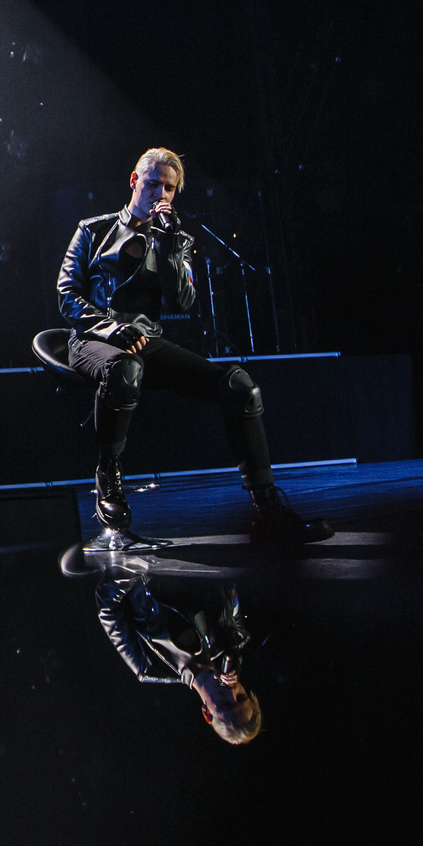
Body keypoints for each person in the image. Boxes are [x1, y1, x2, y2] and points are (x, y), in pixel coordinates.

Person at [56, 148, 328, 543]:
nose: (160, 194)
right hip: (93, 339)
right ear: (135, 182)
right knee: (124, 369)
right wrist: (110, 329)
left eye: (168, 188)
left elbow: (181, 301)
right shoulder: (92, 229)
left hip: (145, 339)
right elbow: (67, 295)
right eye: (153, 184)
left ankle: (267, 507)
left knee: (239, 387)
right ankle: (107, 475)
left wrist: (166, 244)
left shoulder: (177, 239)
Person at [97, 572, 265, 745]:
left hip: (136, 555)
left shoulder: (148, 667)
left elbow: (107, 607)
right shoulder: (235, 640)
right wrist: (230, 643)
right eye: (241, 697)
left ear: (207, 713)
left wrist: (133, 567)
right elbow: (227, 579)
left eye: (225, 705)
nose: (231, 692)